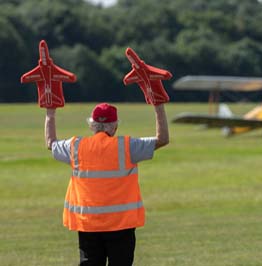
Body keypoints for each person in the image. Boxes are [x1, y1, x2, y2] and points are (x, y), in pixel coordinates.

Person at [45, 102, 169, 266]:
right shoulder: (127, 146)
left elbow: (50, 143)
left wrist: (50, 112)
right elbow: (162, 139)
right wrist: (158, 106)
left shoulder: (75, 146)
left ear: (92, 125)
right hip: (121, 225)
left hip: (88, 224)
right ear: (115, 126)